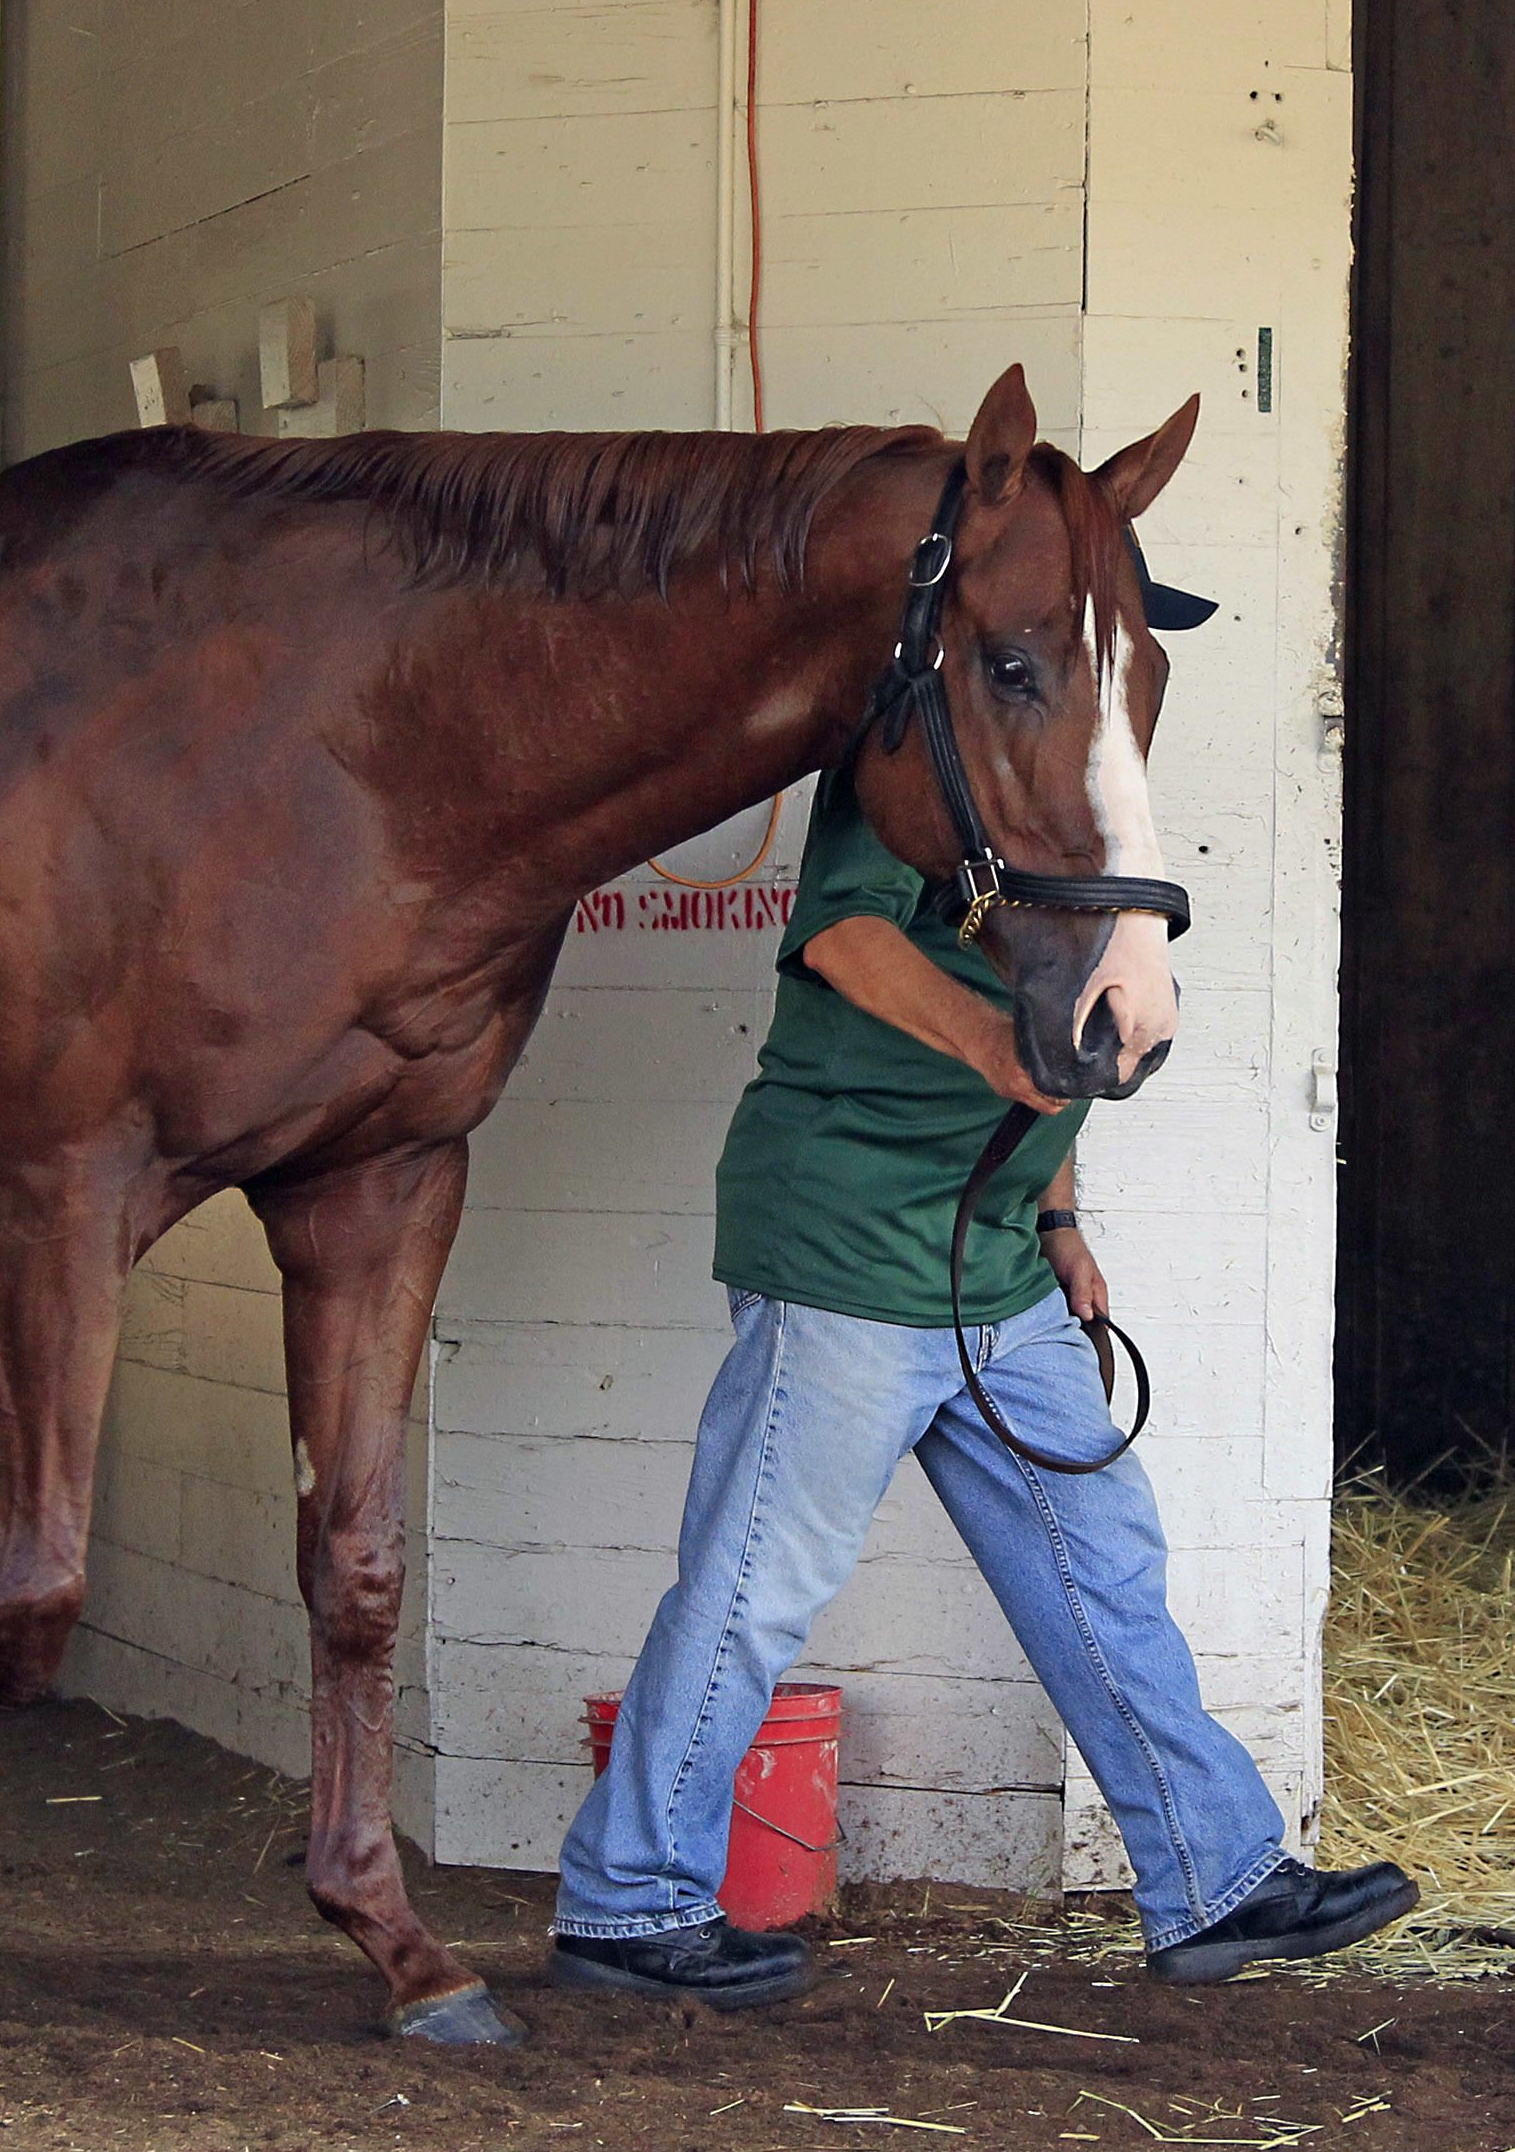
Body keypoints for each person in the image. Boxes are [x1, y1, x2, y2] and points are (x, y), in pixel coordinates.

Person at [548, 764, 1418, 2008]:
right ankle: (626, 1901)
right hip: (848, 1250)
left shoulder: (1084, 804)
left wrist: (1059, 1221)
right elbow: (843, 937)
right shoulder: (907, 776)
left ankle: (1218, 1880)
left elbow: (1075, 1012)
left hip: (994, 1259)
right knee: (755, 1588)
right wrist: (985, 1043)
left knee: (1101, 1563)